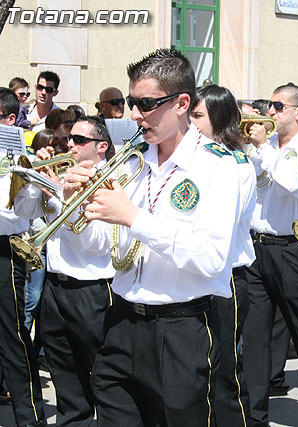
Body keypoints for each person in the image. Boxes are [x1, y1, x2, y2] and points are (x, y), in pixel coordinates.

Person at [61, 48, 243, 426]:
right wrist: (74, 210)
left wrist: (134, 218)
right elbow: (104, 247)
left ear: (181, 103)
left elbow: (211, 258)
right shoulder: (133, 160)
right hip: (122, 321)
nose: (134, 115)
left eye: (145, 104)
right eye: (131, 102)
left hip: (182, 329)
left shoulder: (219, 167)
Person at [15, 116, 116, 426]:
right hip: (56, 289)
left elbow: (96, 244)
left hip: (93, 291)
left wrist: (64, 196)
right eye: (70, 139)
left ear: (101, 147)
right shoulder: (60, 176)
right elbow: (22, 212)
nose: (70, 144)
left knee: (105, 377)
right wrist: (34, 180)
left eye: (79, 140)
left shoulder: (109, 181)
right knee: (65, 377)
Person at [243, 83, 298, 427]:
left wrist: (264, 147)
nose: (271, 112)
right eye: (270, 105)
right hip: (258, 246)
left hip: (295, 249)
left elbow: (295, 183)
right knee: (254, 337)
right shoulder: (264, 147)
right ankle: (254, 416)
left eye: (278, 106)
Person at [190, 83, 255, 425]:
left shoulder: (236, 163)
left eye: (198, 116)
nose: (191, 122)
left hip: (227, 276)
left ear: (218, 118)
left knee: (225, 370)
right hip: (198, 273)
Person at [0, 88, 47, 426]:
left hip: (4, 250)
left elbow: (21, 212)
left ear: (10, 119)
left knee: (13, 336)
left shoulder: (19, 156)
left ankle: (30, 418)